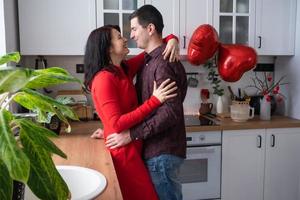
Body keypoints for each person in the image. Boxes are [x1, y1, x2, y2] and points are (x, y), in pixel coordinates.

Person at [84, 24, 180, 200]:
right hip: (124, 154)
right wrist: (155, 101)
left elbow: (151, 49)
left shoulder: (122, 69)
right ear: (108, 48)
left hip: (132, 146)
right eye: (119, 37)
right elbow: (117, 123)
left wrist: (172, 39)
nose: (125, 38)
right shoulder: (104, 79)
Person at [105, 5, 188, 200]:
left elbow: (170, 113)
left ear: (150, 29)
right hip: (157, 151)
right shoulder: (149, 61)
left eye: (134, 29)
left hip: (162, 153)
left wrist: (132, 135)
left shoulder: (163, 63)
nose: (131, 35)